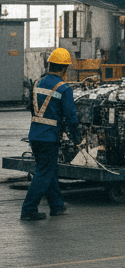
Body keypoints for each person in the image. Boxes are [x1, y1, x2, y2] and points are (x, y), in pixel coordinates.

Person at [21, 47, 81, 221]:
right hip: (49, 137)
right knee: (44, 172)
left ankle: (57, 205)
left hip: (35, 134)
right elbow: (71, 116)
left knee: (49, 170)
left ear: (49, 65)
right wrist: (76, 137)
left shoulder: (37, 83)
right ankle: (28, 209)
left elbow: (32, 109)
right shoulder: (64, 88)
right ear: (64, 69)